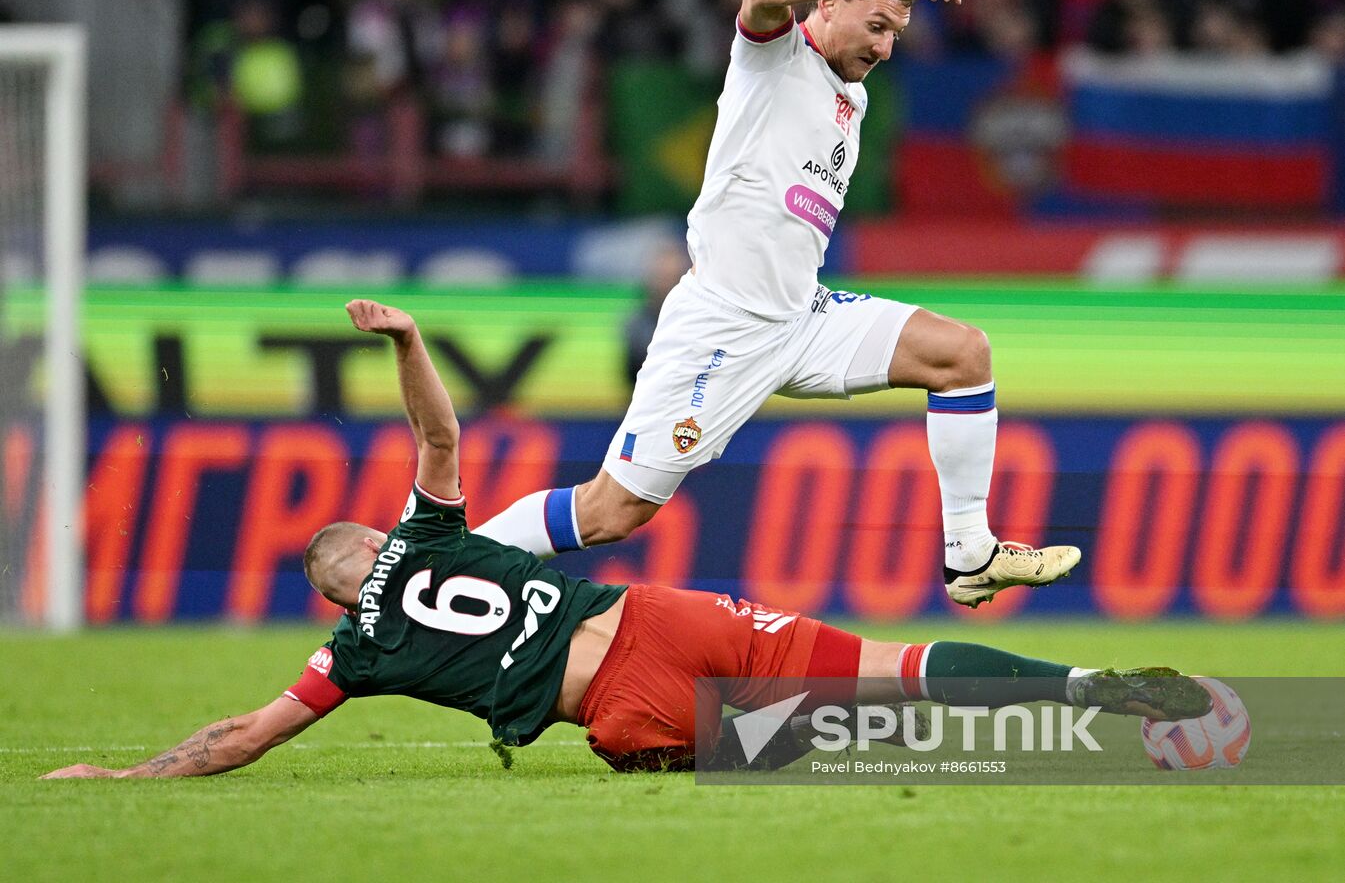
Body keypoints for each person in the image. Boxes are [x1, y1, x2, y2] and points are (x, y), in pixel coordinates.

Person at [43, 302, 1210, 780]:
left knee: (847, 729)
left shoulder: (349, 652)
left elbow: (244, 733)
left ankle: (923, 744)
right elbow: (437, 432)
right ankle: (1084, 689)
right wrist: (402, 338)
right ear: (376, 537)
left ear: (334, 596)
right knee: (886, 663)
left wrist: (131, 776)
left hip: (616, 707)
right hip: (655, 615)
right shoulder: (429, 529)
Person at [473, 0, 1079, 608]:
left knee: (961, 353)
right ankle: (444, 564)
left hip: (800, 317)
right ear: (829, 0)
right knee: (609, 513)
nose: (883, 47)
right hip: (722, 325)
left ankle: (970, 554)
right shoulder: (774, 56)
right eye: (876, 24)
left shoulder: (854, 98)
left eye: (895, 35)